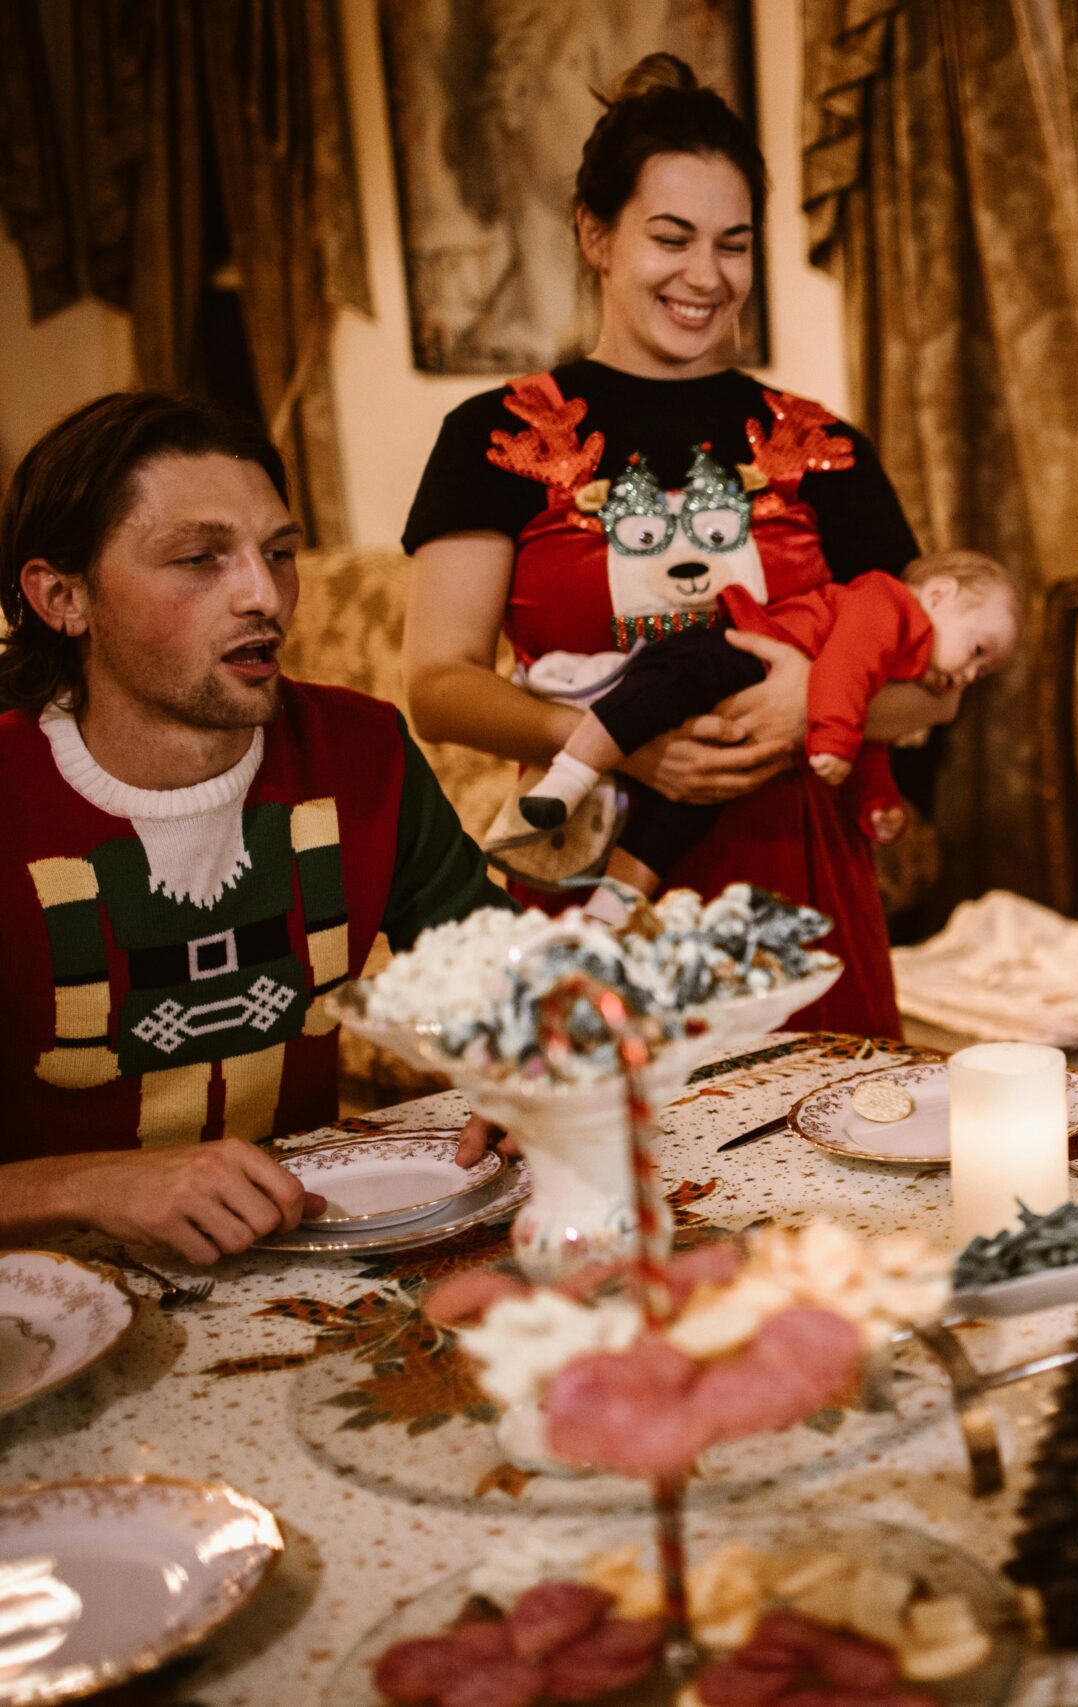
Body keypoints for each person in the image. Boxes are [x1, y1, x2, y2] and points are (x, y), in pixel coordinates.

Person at [403, 53, 948, 1038]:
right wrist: (622, 742)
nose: (706, 276)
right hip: (591, 885)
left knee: (828, 1182)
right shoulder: (497, 433)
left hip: (800, 902)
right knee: (607, 1170)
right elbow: (437, 683)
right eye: (671, 237)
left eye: (734, 245)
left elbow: (933, 681)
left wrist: (810, 705)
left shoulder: (818, 444)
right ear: (596, 234)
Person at [0, 393, 512, 1263]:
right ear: (63, 596)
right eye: (201, 558)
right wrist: (91, 1184)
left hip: (307, 1265)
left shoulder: (363, 751)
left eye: (279, 553)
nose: (263, 594)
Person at [508, 550, 1021, 896]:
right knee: (651, 696)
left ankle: (611, 911)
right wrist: (836, 739)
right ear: (938, 596)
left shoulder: (899, 670)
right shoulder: (887, 603)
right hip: (734, 647)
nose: (972, 674)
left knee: (683, 818)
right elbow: (847, 665)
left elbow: (870, 741)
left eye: (985, 670)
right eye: (978, 650)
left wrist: (877, 803)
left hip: (742, 714)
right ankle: (567, 778)